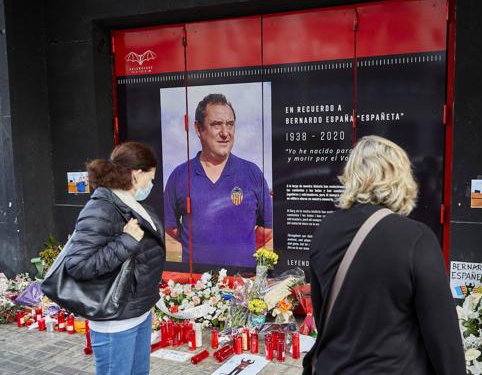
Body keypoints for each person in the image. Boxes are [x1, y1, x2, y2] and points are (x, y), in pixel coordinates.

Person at [302, 136, 465, 375]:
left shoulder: (324, 231)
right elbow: (443, 338)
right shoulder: (416, 239)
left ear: (352, 175)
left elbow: (321, 315)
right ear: (400, 177)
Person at [64, 142, 165, 375]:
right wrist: (126, 242)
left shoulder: (132, 204)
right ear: (136, 174)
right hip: (114, 321)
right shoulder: (101, 208)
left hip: (137, 313)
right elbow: (78, 265)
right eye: (150, 178)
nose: (151, 184)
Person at [164, 93, 273, 267]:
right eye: (216, 125)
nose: (225, 133)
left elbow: (266, 229)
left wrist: (238, 251)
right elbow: (172, 228)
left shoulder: (252, 173)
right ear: (199, 129)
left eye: (230, 125)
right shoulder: (179, 176)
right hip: (197, 287)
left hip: (243, 284)